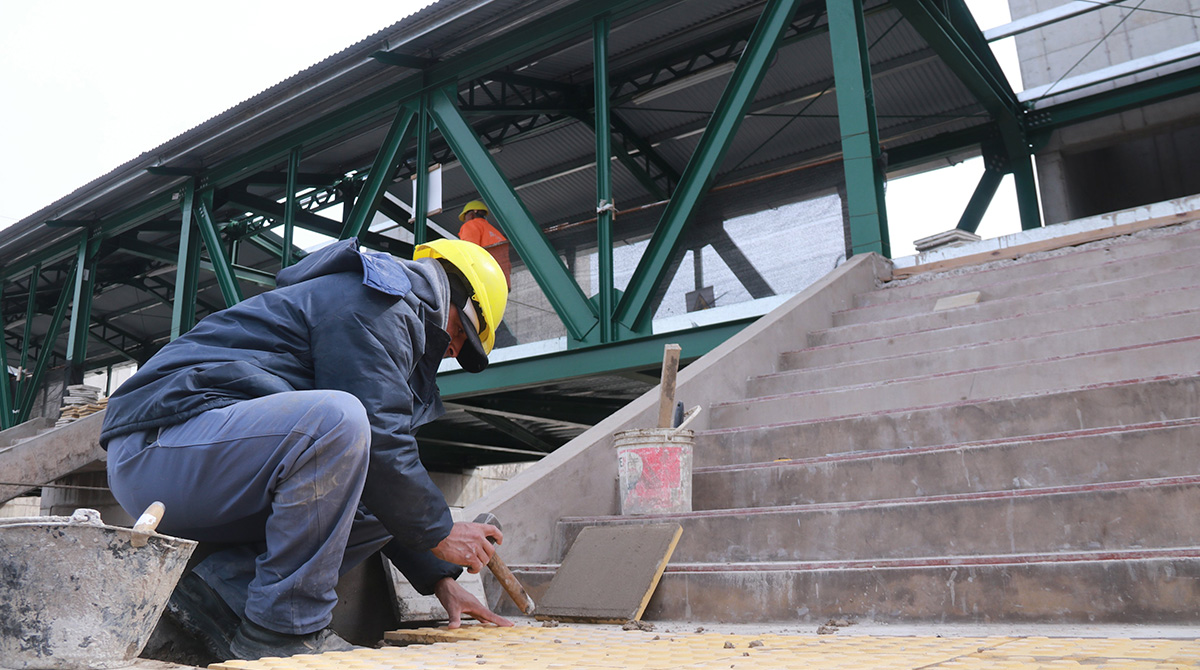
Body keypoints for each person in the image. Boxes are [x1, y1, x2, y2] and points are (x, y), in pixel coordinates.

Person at [100, 237, 513, 661]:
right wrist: (440, 531)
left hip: (198, 463)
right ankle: (282, 632)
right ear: (450, 294)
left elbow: (382, 482)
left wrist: (440, 578)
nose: (451, 349)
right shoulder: (378, 302)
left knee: (369, 474)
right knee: (338, 420)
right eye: (460, 332)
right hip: (159, 446)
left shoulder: (386, 311)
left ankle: (220, 597)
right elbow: (380, 435)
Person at [457, 200, 511, 288]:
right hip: (502, 281)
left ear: (471, 215)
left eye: (465, 217)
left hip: (484, 279)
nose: (465, 221)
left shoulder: (470, 225)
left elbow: (469, 250)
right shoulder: (495, 232)